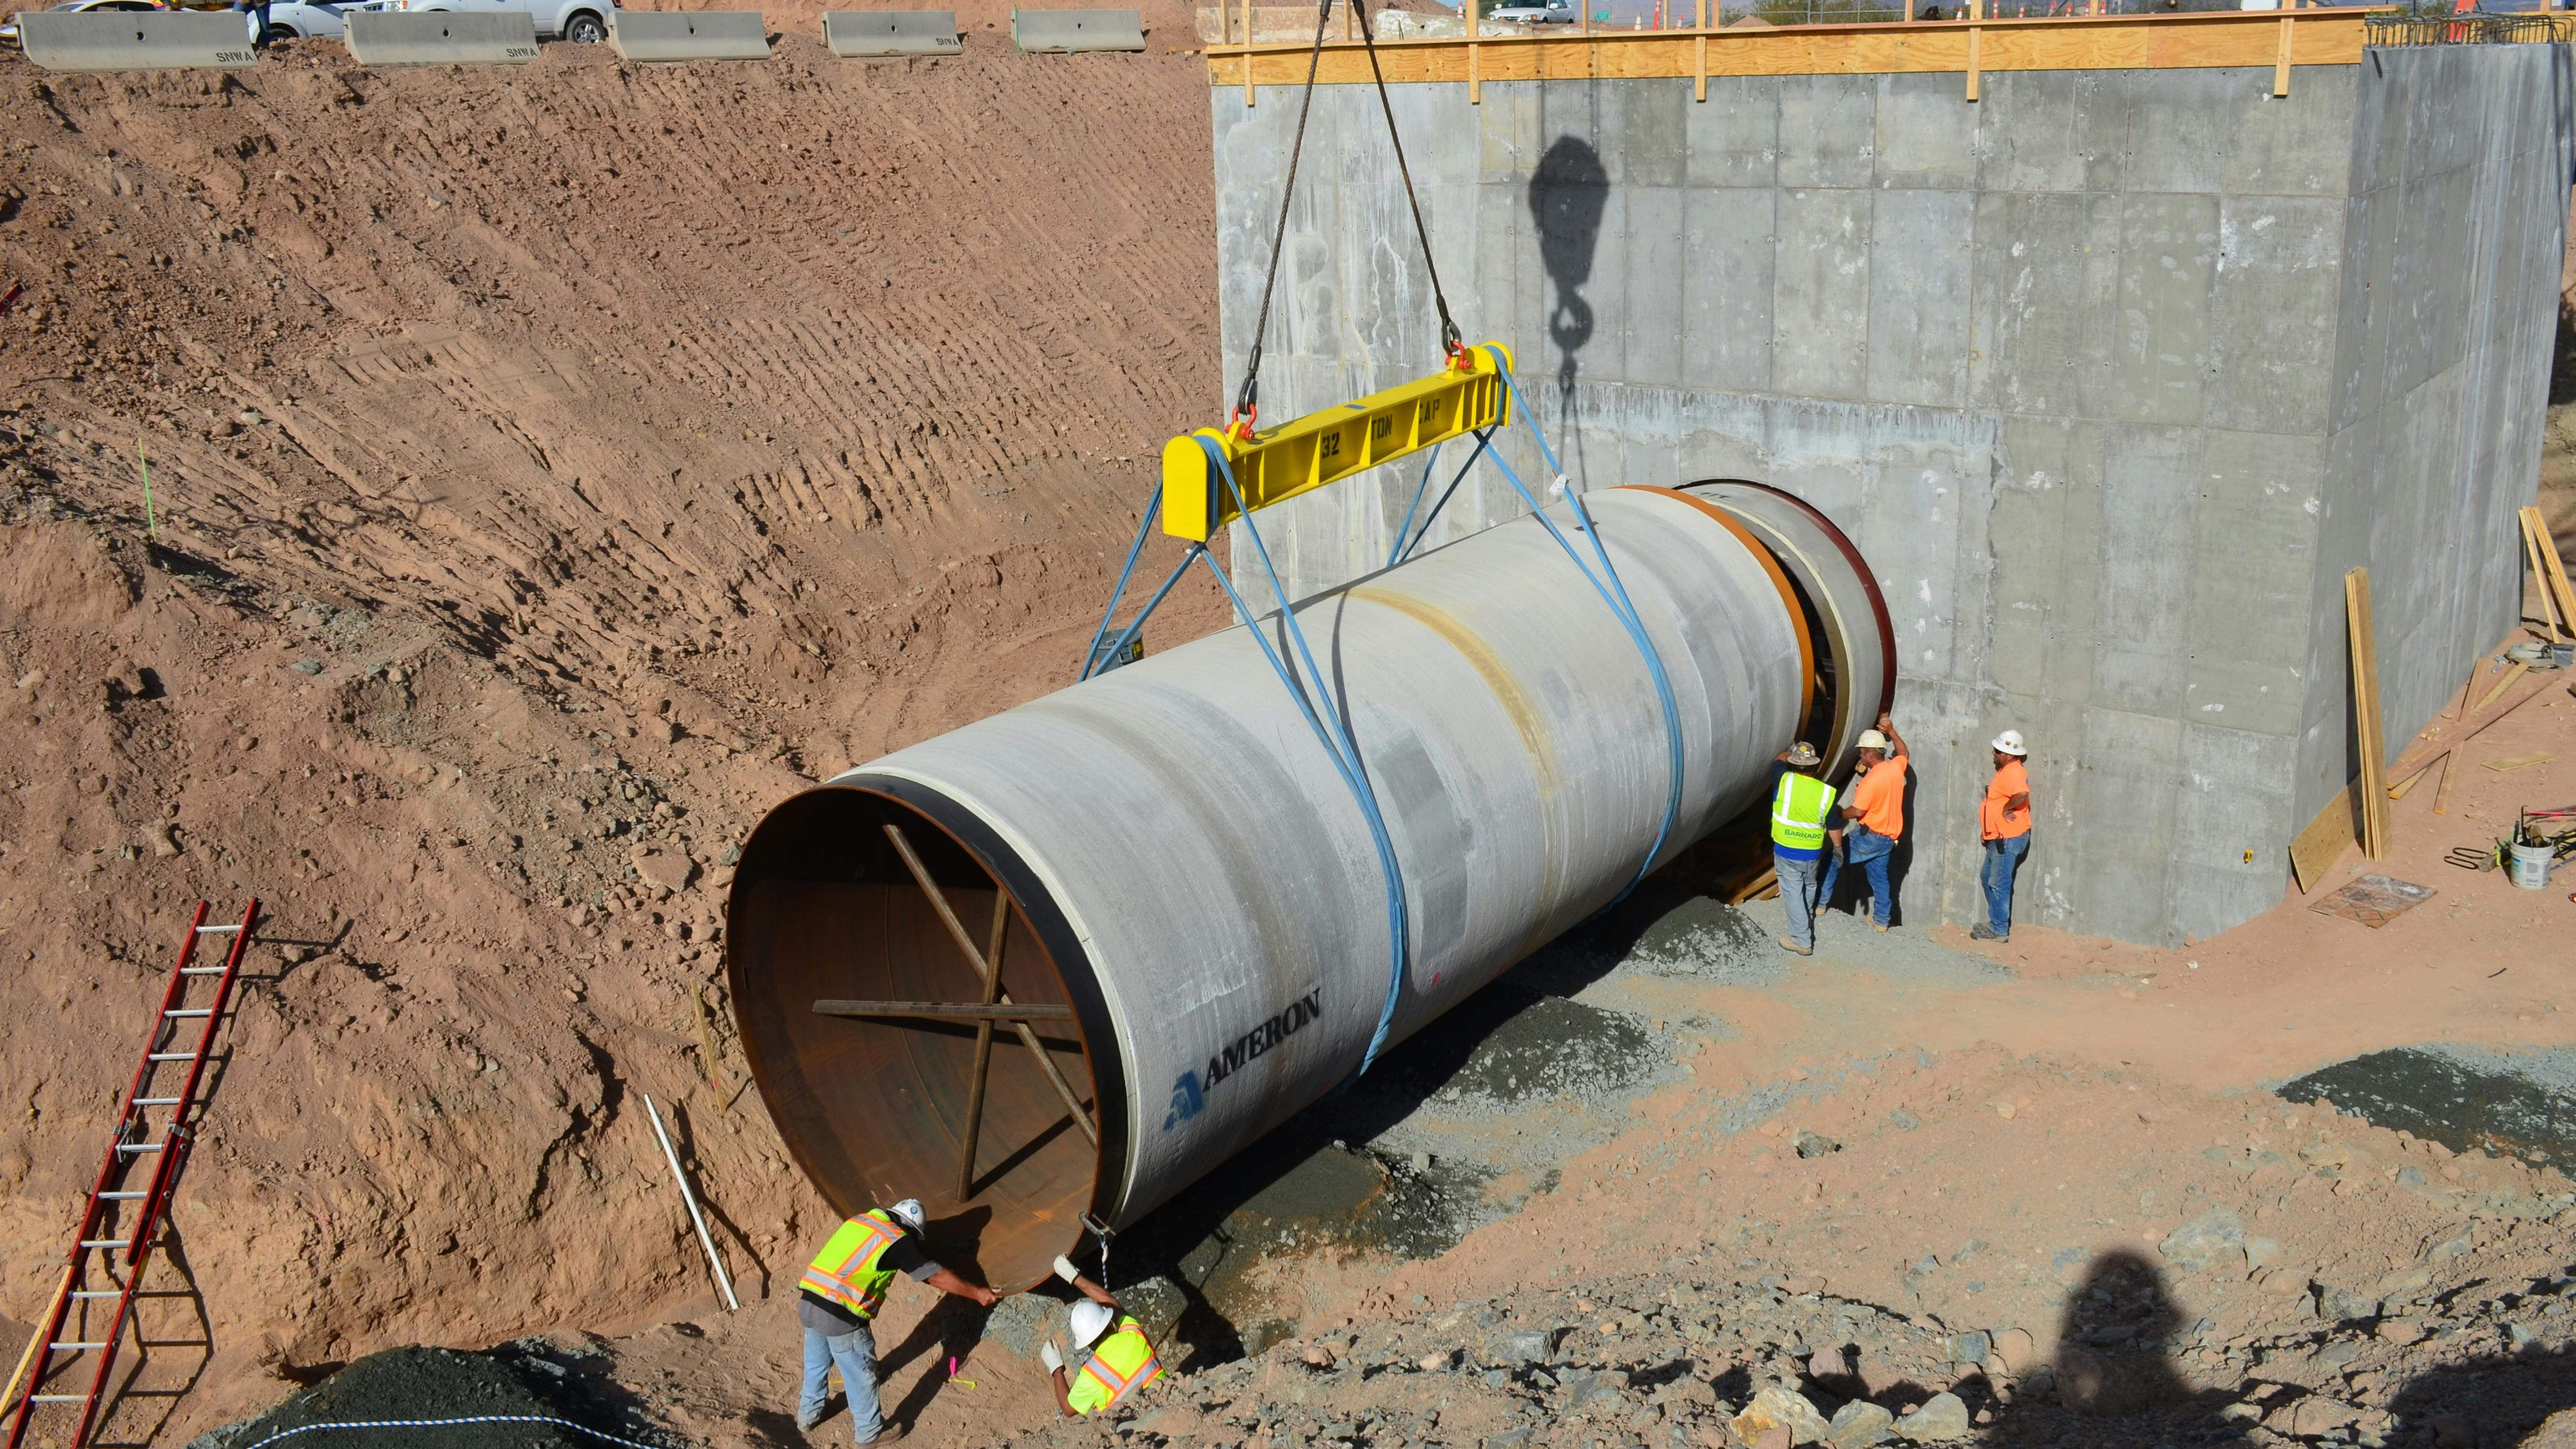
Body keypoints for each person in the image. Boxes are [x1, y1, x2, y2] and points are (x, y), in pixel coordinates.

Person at [796, 1198, 998, 1446]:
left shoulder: (861, 1221)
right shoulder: (894, 1239)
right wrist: (977, 1293)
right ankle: (870, 1432)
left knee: (816, 1364)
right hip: (841, 1313)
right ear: (911, 1230)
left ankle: (808, 1415)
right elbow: (934, 1276)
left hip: (810, 1300)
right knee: (861, 1374)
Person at [1038, 1256, 1164, 1417]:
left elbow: (1068, 1409)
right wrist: (1075, 1277)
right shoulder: (1134, 1335)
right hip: (1167, 1402)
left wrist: (1056, 1368)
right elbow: (1109, 1301)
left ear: (1088, 1344)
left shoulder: (1091, 1374)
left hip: (1131, 1426)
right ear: (1110, 1322)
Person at [1819, 712, 1907, 931]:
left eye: (1861, 752)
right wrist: (1892, 732)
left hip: (1869, 837)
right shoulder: (1895, 768)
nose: (1860, 756)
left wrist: (1835, 814)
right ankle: (1881, 922)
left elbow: (1857, 811)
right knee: (1879, 879)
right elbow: (1904, 752)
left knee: (1832, 858)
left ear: (1869, 753)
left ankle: (1820, 906)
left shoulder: (1871, 781)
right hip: (1888, 839)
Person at [1767, 741, 1841, 957]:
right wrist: (1838, 848)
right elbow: (1835, 824)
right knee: (1808, 887)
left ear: (1794, 765)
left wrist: (1791, 749)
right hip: (1812, 853)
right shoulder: (1825, 792)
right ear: (1815, 767)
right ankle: (1806, 919)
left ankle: (1801, 940)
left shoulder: (1783, 780)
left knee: (1792, 892)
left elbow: (1778, 761)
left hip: (1787, 850)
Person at [1972, 729, 2032, 942]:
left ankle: (1998, 929)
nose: (1994, 753)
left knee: (1999, 882)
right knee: (1987, 877)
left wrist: (2007, 808)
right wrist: (1987, 830)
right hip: (1997, 838)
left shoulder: (2013, 771)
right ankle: (1997, 921)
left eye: (1998, 751)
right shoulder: (2005, 770)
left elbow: (2022, 794)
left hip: (2008, 839)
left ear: (2009, 754)